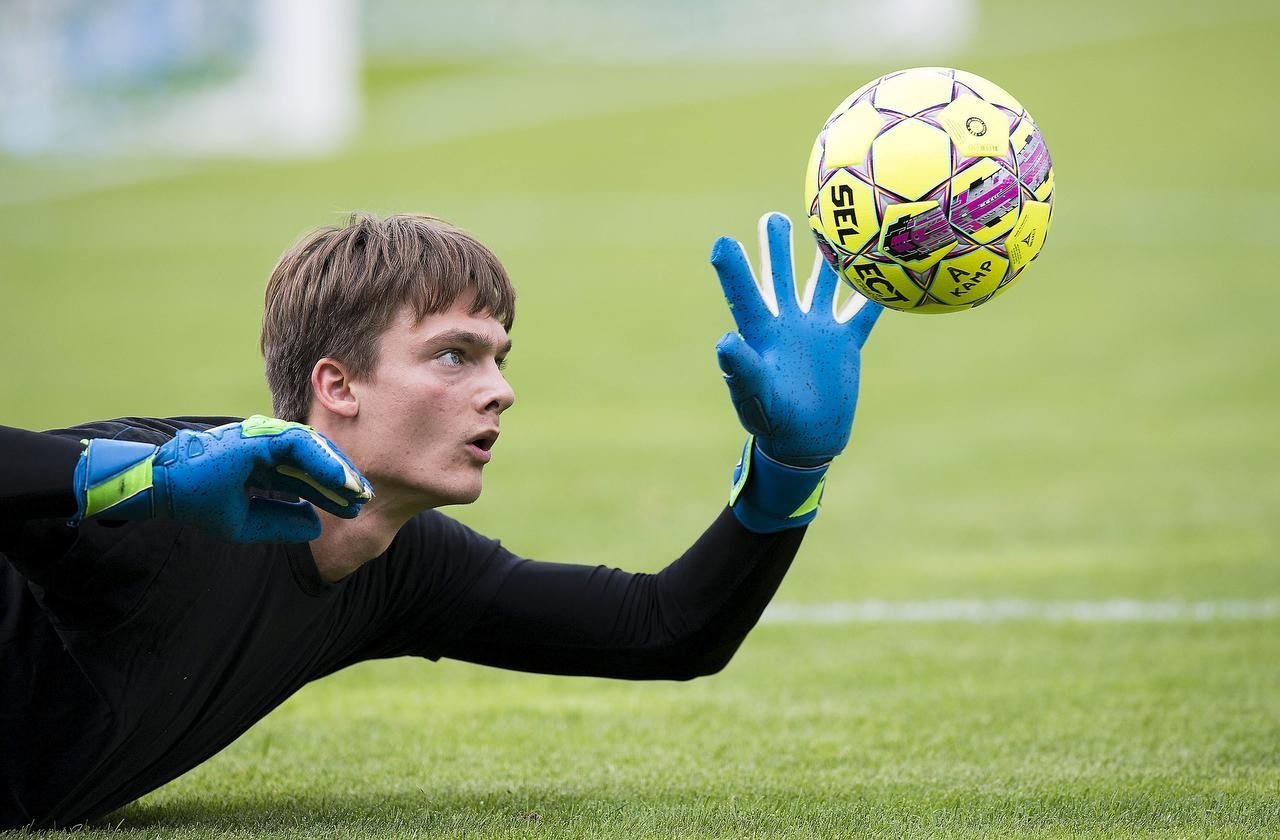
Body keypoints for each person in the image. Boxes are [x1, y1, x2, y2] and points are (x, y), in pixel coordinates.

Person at [0, 211, 882, 829]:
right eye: (453, 355)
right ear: (336, 385)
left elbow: (667, 629)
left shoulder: (402, 566)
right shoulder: (167, 485)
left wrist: (787, 471)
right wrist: (138, 478)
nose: (499, 388)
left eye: (498, 356)